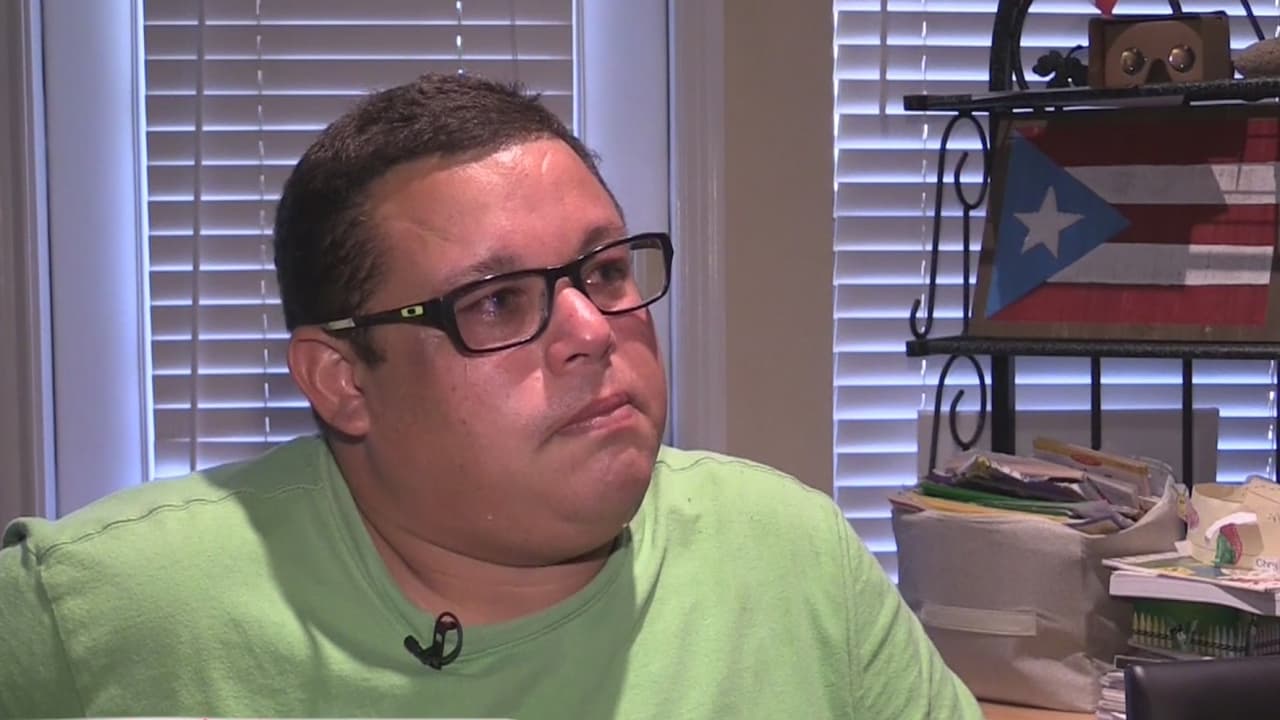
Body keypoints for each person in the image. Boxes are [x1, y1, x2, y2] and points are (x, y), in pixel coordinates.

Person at [0, 73, 982, 719]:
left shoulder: (792, 561)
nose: (593, 329)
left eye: (605, 271)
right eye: (497, 300)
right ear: (343, 381)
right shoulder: (91, 612)